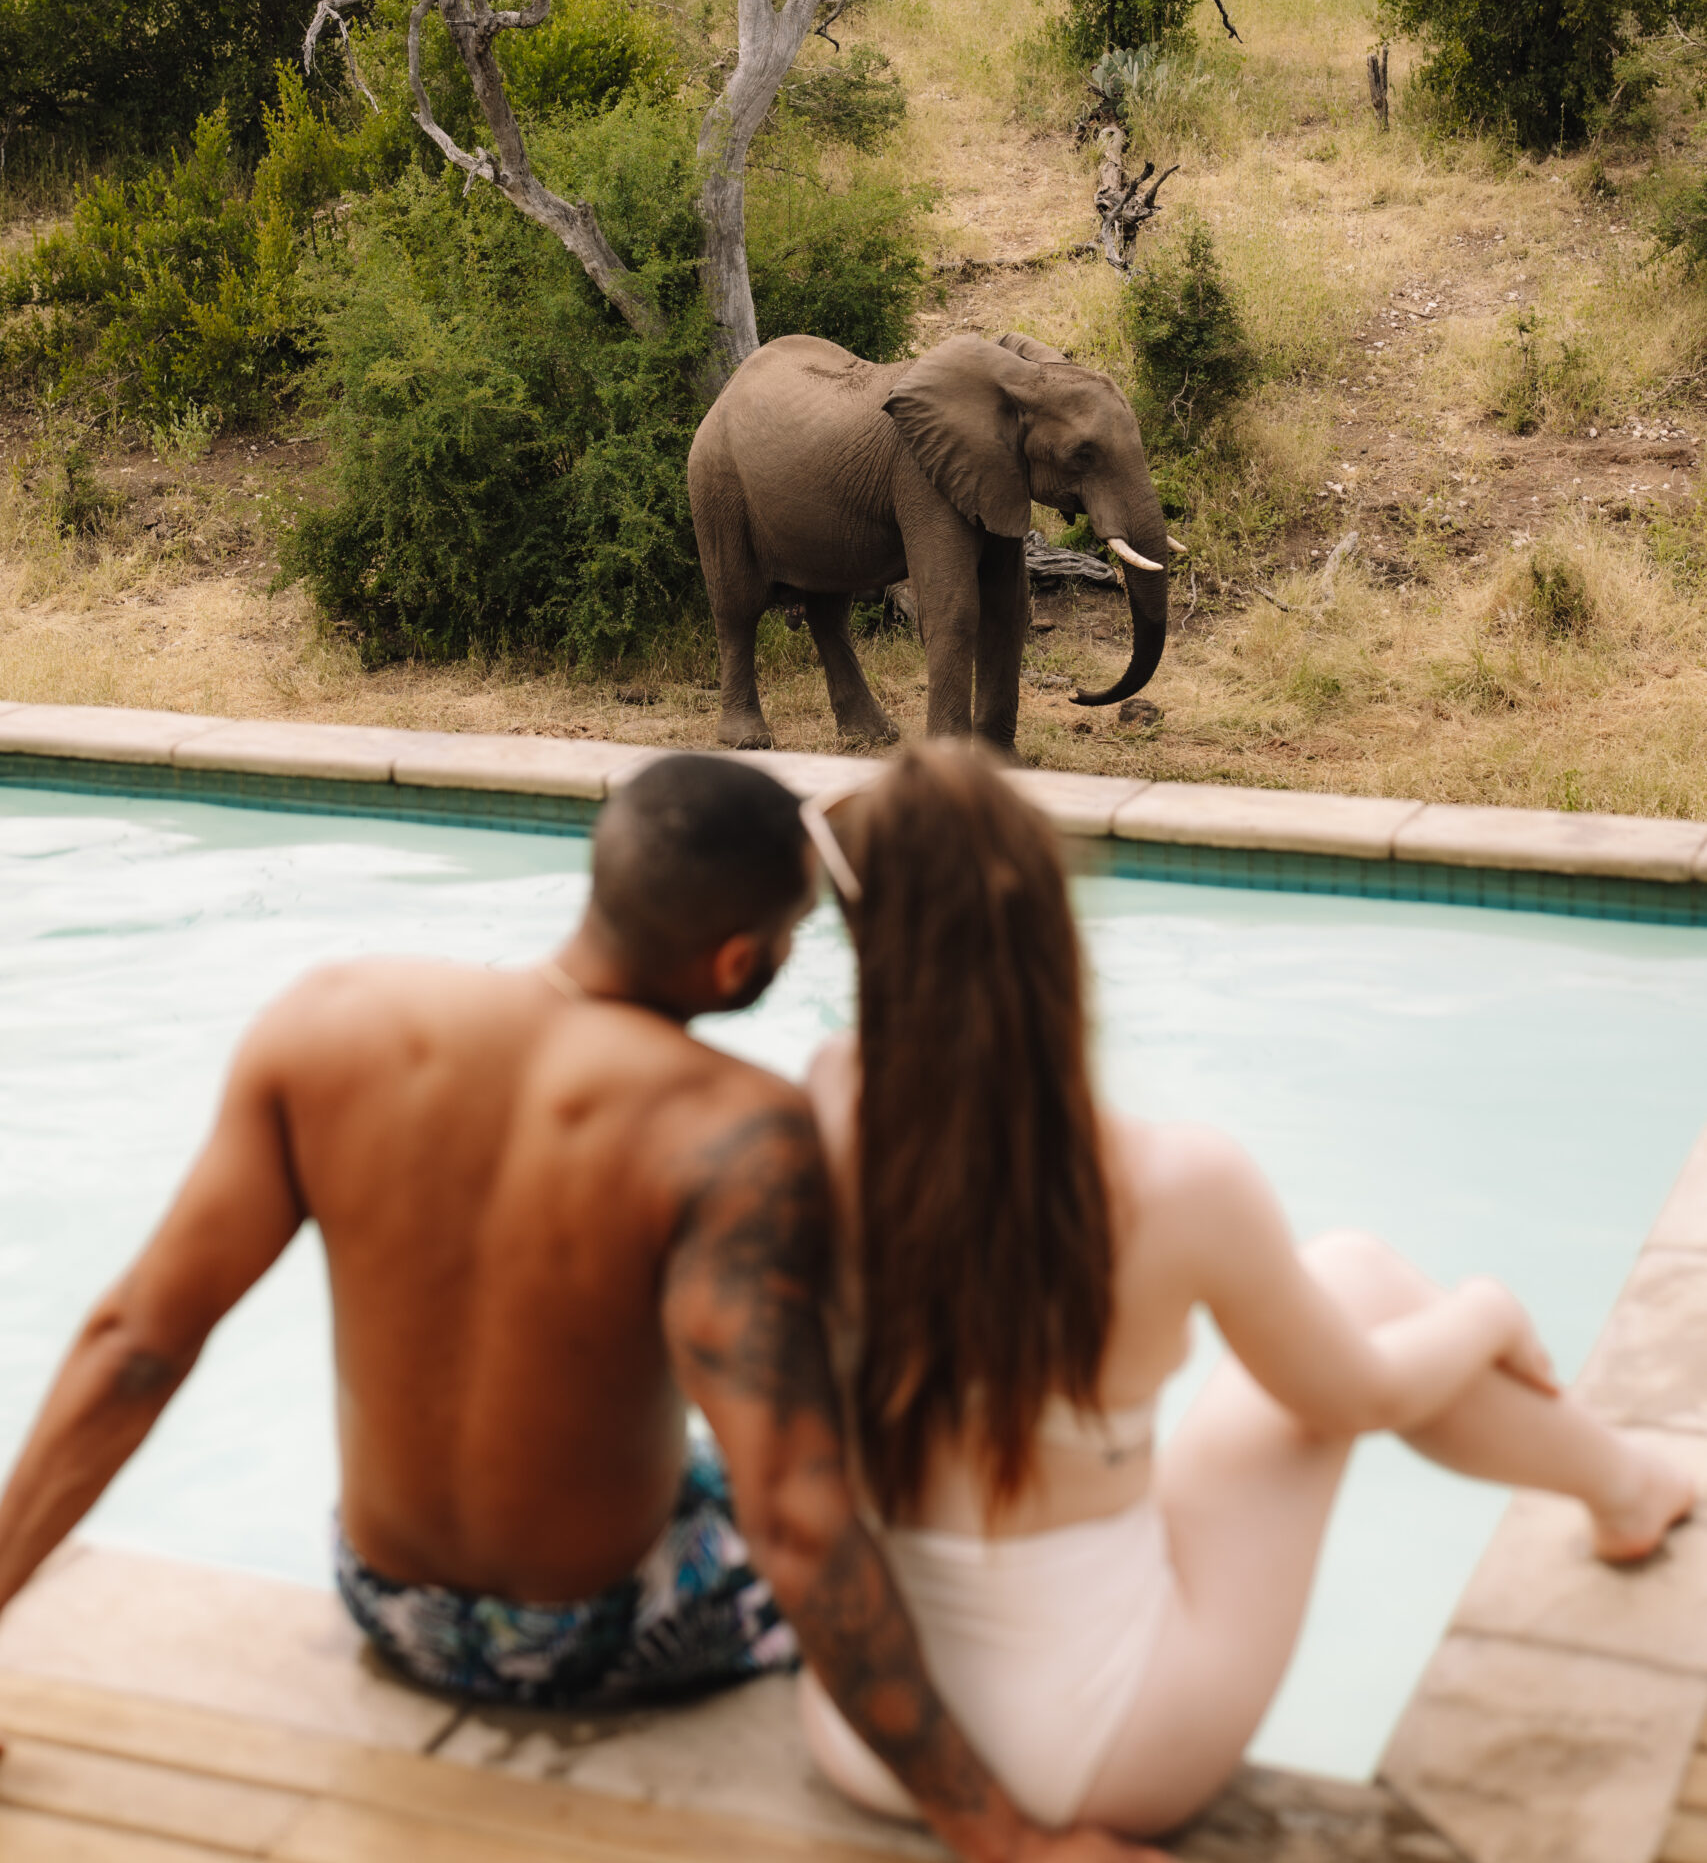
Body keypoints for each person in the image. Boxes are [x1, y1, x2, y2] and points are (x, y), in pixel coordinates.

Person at [0, 751, 1130, 1863]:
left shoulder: (325, 1019)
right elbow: (794, 1516)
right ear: (741, 958)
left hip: (388, 1601)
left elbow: (136, 1347)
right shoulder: (732, 1131)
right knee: (873, 1483)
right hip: (593, 1640)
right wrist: (1006, 1835)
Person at [797, 745, 1697, 1846]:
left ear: (867, 947)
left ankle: (1625, 1483)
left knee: (1348, 1281)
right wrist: (1490, 1309)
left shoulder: (826, 1109)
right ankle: (1625, 1485)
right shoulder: (1174, 1184)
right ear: (1052, 941)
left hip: (869, 1733)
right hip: (1103, 1748)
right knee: (1364, 1286)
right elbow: (1358, 1397)